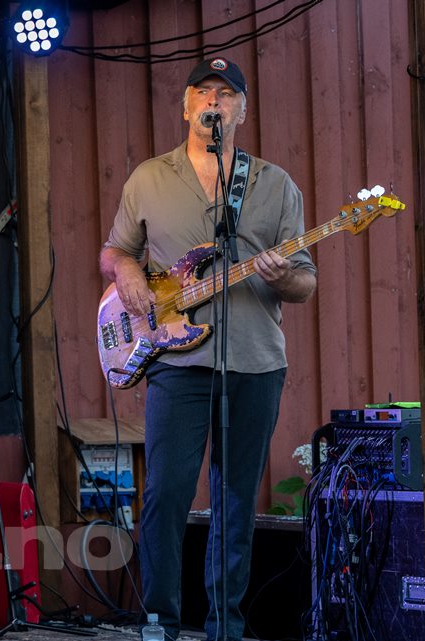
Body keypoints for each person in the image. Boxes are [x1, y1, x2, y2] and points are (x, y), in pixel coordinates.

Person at [99, 58, 318, 641]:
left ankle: (226, 627)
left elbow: (305, 282)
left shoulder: (274, 184)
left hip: (255, 362)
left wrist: (281, 276)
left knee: (235, 501)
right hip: (176, 361)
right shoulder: (149, 177)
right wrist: (128, 273)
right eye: (203, 92)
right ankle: (159, 622)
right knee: (166, 493)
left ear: (241, 110)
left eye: (225, 94)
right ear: (186, 106)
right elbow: (115, 251)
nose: (213, 102)